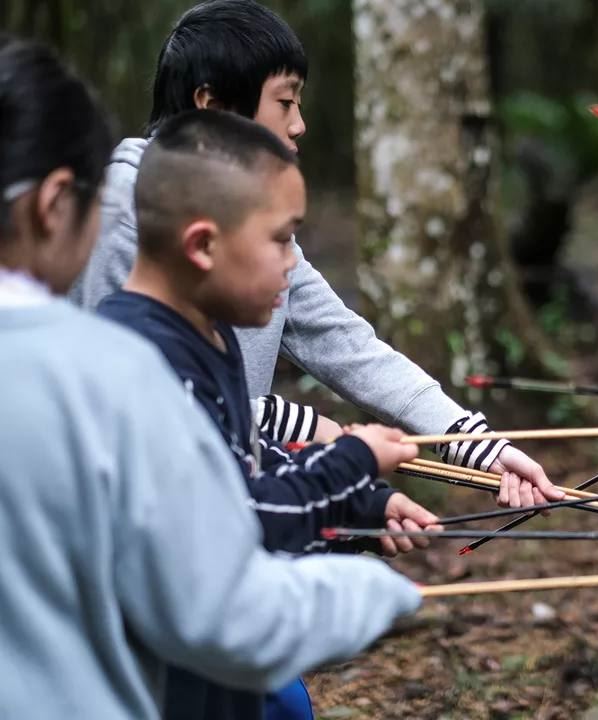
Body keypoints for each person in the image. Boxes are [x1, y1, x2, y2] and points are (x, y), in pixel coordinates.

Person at [0, 35, 421, 720]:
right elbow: (218, 605)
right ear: (52, 205)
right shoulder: (114, 373)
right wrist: (377, 596)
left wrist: (359, 502)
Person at [71, 0, 565, 511]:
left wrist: (473, 444)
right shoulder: (126, 213)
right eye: (285, 102)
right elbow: (140, 399)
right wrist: (303, 428)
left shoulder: (251, 212)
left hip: (232, 496)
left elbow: (343, 341)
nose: (299, 125)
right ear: (212, 106)